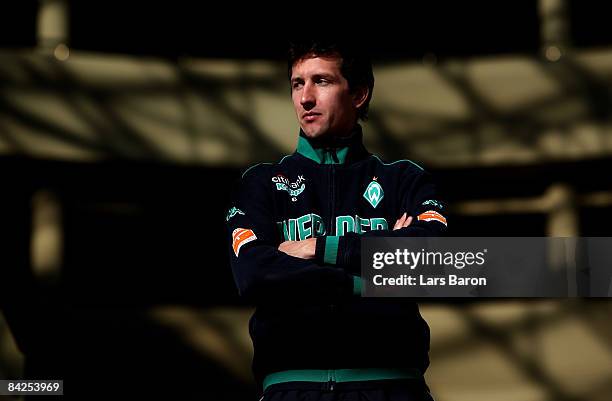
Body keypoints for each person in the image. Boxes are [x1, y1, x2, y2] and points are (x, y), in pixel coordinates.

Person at [226, 41, 447, 401]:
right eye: (298, 84)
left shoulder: (404, 180)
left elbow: (429, 261)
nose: (305, 98)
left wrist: (317, 247)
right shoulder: (260, 183)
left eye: (322, 82)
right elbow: (252, 273)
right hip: (291, 388)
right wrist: (377, 276)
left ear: (359, 93)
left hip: (391, 387)